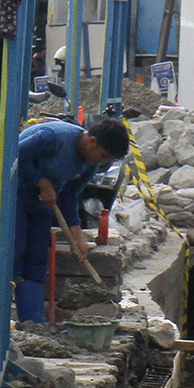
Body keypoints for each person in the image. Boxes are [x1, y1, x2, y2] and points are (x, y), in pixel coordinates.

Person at [12, 118, 130, 322]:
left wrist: (77, 237)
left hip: (41, 202)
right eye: (103, 156)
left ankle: (32, 323)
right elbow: (13, 155)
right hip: (12, 196)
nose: (102, 162)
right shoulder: (52, 138)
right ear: (91, 141)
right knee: (14, 252)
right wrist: (41, 182)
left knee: (36, 261)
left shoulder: (89, 165)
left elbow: (69, 195)